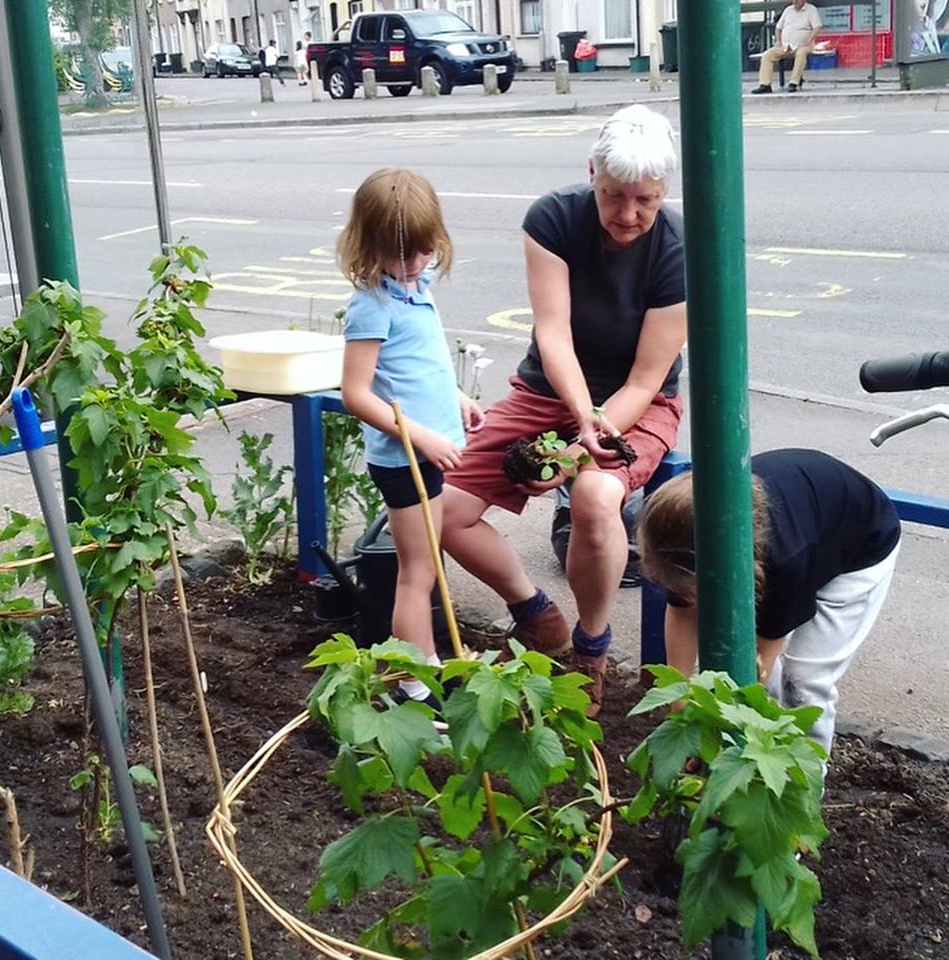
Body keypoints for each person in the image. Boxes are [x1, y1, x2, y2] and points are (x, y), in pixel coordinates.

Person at [442, 105, 687, 717]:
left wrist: (582, 449)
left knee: (595, 498)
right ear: (591, 176)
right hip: (549, 387)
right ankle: (535, 615)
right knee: (442, 510)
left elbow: (645, 377)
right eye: (613, 196)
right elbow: (553, 334)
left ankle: (592, 646)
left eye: (646, 201)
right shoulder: (552, 219)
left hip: (640, 401)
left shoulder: (682, 250)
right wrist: (580, 421)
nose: (628, 215)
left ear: (664, 193)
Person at [637, 449, 901, 754]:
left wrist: (724, 739)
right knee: (763, 676)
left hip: (861, 548)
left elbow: (758, 666)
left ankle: (804, 776)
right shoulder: (679, 533)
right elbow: (682, 613)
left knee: (803, 680)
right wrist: (680, 709)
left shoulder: (785, 560)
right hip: (808, 518)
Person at [338, 168, 484, 705]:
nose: (415, 265)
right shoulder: (371, 307)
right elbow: (358, 392)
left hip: (428, 450)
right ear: (369, 245)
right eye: (402, 256)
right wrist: (421, 435)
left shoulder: (413, 290)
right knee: (417, 572)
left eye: (424, 252)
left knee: (426, 566)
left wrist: (458, 401)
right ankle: (413, 681)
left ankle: (419, 665)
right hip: (406, 461)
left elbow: (417, 369)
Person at [751, 0, 822, 94]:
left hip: (804, 45)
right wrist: (778, 41)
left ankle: (794, 82)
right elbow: (778, 28)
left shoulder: (811, 10)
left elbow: (817, 27)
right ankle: (765, 85)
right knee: (767, 55)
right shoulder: (788, 10)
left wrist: (808, 40)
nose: (795, 1)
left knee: (801, 53)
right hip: (785, 45)